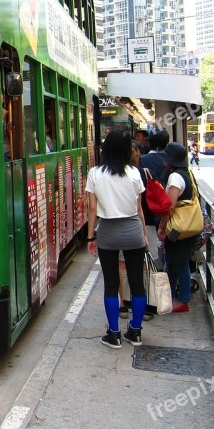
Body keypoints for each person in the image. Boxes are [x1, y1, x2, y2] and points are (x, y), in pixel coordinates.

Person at [85, 130, 148, 349]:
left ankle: (114, 334)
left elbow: (93, 208)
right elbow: (139, 210)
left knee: (111, 284)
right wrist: (144, 236)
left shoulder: (95, 173)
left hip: (108, 233)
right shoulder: (134, 173)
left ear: (105, 149)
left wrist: (90, 235)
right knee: (137, 283)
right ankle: (136, 332)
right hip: (133, 231)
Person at [157, 142, 196, 313]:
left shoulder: (175, 178)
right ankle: (172, 297)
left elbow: (170, 206)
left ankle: (182, 300)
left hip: (177, 228)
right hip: (187, 226)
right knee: (174, 262)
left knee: (178, 263)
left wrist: (161, 226)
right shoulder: (187, 174)